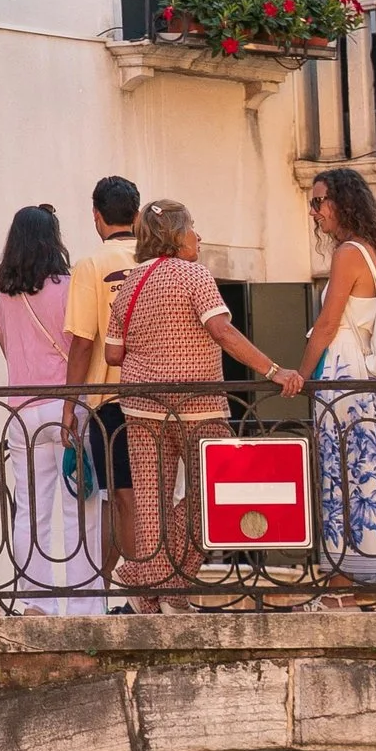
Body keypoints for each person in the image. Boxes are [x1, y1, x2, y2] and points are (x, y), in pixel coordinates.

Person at [108, 203, 304, 593]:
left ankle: (151, 590)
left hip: (141, 407)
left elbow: (113, 354)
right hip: (198, 407)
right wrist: (273, 370)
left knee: (152, 508)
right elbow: (222, 331)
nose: (198, 235)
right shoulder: (194, 274)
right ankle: (160, 584)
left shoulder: (129, 285)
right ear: (176, 236)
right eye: (193, 227)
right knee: (216, 498)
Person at [299, 168, 376, 586]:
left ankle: (343, 583)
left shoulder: (349, 253)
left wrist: (300, 375)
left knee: (344, 475)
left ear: (343, 201)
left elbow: (328, 325)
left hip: (345, 374)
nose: (314, 212)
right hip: (373, 381)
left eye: (319, 202)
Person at [0, 204, 101, 605]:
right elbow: (81, 347)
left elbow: (6, 347)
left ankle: (34, 601)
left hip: (23, 412)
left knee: (31, 510)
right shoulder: (69, 287)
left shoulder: (4, 297)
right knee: (81, 507)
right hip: (68, 408)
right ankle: (84, 604)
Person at [57, 176, 142, 588]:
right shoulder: (156, 261)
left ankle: (131, 588)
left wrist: (69, 406)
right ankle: (141, 584)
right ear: (137, 215)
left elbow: (82, 343)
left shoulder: (91, 266)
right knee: (148, 498)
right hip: (159, 396)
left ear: (96, 216)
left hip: (112, 402)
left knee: (120, 497)